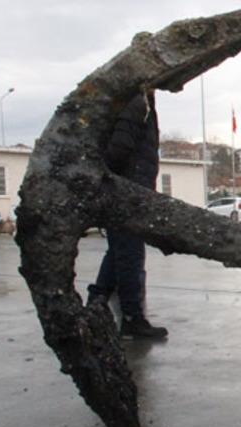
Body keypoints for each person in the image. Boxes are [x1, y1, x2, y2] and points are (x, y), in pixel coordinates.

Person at [87, 90, 168, 339]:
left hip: (127, 188)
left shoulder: (135, 101)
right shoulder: (137, 102)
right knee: (130, 254)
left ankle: (96, 303)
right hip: (128, 191)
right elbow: (120, 147)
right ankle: (132, 318)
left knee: (118, 252)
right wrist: (116, 182)